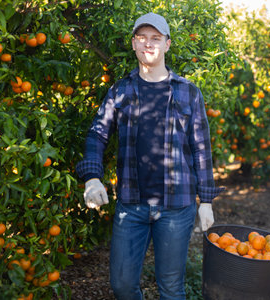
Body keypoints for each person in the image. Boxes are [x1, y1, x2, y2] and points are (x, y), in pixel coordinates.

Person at [76, 12, 224, 300]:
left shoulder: (188, 92)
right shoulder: (121, 90)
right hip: (132, 205)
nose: (148, 44)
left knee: (171, 288)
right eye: (142, 38)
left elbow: (201, 148)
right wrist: (92, 178)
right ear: (133, 43)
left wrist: (206, 201)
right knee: (121, 285)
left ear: (167, 44)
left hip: (177, 208)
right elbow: (97, 134)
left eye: (155, 38)